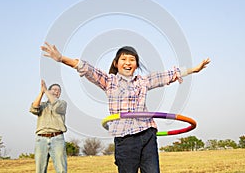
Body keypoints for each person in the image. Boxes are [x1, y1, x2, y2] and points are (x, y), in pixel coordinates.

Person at [41, 42, 210, 173]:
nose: (128, 63)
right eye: (124, 59)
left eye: (132, 60)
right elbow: (86, 68)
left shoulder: (143, 81)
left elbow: (167, 75)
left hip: (147, 133)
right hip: (125, 138)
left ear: (136, 64)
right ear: (116, 63)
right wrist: (62, 58)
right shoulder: (109, 81)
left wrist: (193, 69)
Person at [30, 79, 67, 173]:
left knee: (61, 169)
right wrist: (42, 92)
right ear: (49, 91)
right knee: (40, 170)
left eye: (59, 91)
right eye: (54, 89)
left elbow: (56, 104)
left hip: (57, 138)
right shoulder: (42, 105)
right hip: (41, 139)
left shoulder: (62, 104)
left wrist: (46, 91)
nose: (57, 91)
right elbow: (34, 108)